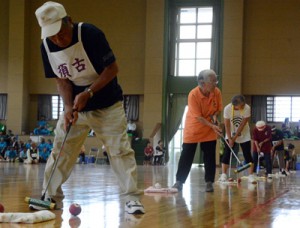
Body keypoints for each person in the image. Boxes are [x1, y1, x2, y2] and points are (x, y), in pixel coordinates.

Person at [33, 2, 143, 213]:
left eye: (60, 33)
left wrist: (88, 93)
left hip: (107, 105)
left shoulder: (90, 34)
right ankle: (50, 196)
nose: (57, 40)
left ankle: (131, 198)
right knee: (61, 150)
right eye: (51, 36)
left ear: (69, 21)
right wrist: (67, 107)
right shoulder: (46, 47)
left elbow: (112, 69)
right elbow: (62, 80)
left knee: (119, 150)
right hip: (75, 108)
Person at [172, 69, 222, 192]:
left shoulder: (216, 92)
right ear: (202, 82)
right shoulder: (193, 94)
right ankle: (179, 181)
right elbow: (198, 117)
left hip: (209, 128)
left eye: (216, 80)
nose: (215, 83)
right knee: (187, 155)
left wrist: (215, 118)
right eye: (212, 81)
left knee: (210, 155)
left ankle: (209, 182)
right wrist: (213, 126)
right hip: (194, 127)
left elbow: (217, 109)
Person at [218, 95, 256, 184]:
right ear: (234, 105)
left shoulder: (247, 108)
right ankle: (224, 174)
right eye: (241, 105)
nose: (243, 106)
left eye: (243, 104)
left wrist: (234, 138)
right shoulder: (227, 109)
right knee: (227, 152)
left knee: (247, 153)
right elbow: (226, 125)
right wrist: (230, 138)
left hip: (244, 132)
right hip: (230, 132)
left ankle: (251, 175)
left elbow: (243, 124)